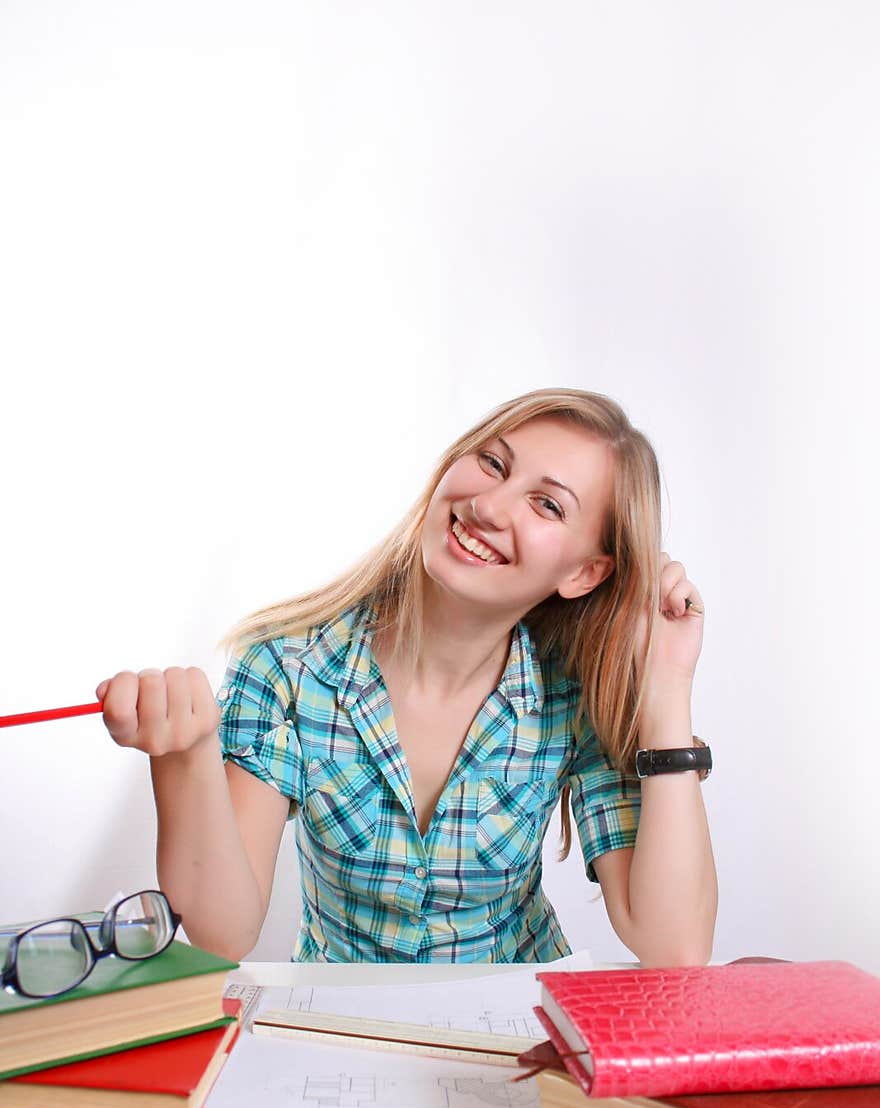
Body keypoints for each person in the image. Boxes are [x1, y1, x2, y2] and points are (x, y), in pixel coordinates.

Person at [96, 387, 718, 965]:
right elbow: (223, 933)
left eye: (548, 504)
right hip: (340, 1041)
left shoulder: (576, 692)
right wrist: (185, 759)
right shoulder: (286, 665)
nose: (488, 506)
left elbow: (675, 947)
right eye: (494, 464)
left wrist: (666, 689)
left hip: (520, 1041)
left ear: (584, 573)